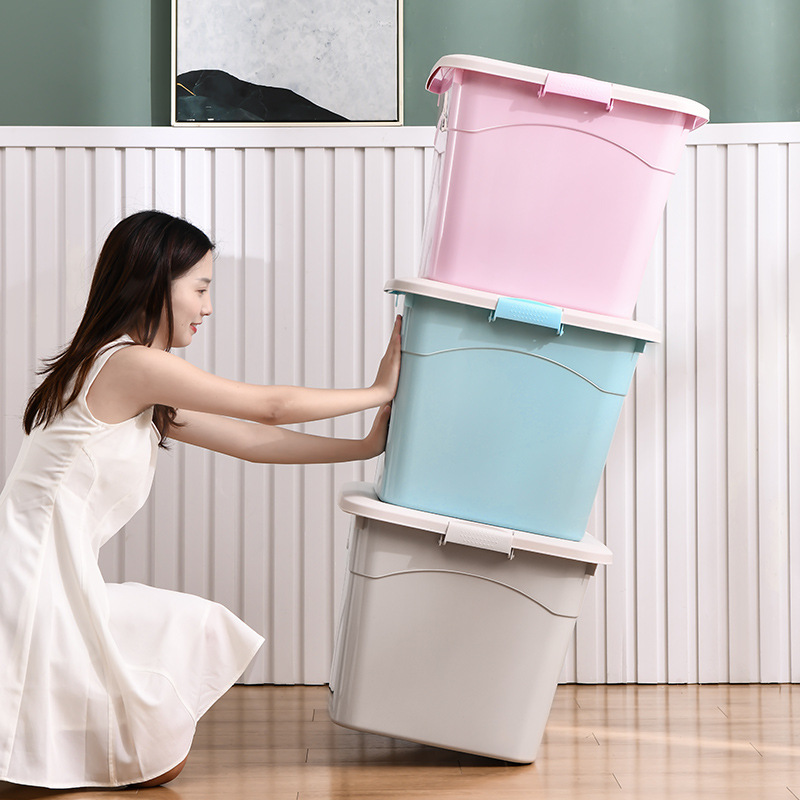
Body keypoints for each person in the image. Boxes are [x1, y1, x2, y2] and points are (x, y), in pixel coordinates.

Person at [0, 210, 401, 789]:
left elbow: (254, 441)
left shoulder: (130, 375)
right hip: (29, 583)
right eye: (202, 288)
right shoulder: (130, 365)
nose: (208, 307)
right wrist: (376, 391)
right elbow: (269, 407)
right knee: (147, 742)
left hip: (52, 578)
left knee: (179, 669)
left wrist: (363, 445)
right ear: (154, 282)